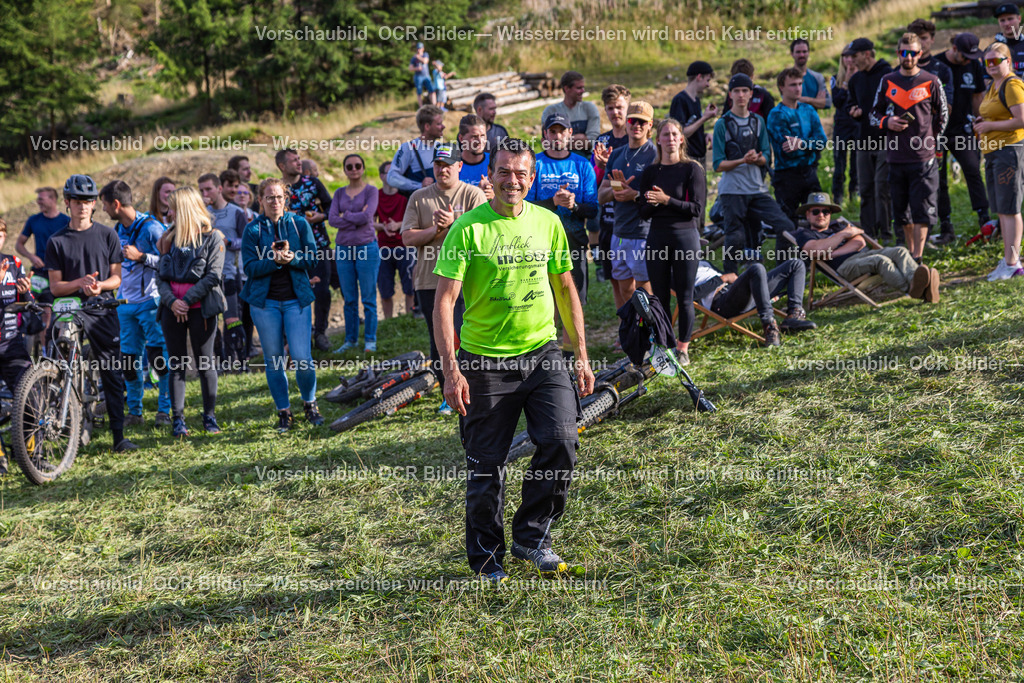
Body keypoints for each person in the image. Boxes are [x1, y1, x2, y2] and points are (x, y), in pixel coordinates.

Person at [432, 137, 596, 583]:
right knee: (486, 465)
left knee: (562, 441)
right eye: (503, 171)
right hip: (484, 362)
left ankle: (531, 537)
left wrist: (581, 354)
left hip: (543, 355)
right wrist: (451, 369)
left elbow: (565, 288)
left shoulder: (548, 222)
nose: (512, 180)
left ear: (532, 177)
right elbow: (444, 302)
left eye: (521, 173)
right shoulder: (467, 229)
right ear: (490, 174)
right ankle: (488, 559)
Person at [45, 174, 135, 452]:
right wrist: (79, 283)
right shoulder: (56, 240)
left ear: (95, 203)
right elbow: (56, 287)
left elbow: (116, 278)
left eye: (88, 201)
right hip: (71, 309)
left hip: (102, 308)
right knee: (61, 361)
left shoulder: (108, 235)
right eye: (77, 201)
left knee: (111, 371)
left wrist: (99, 286)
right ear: (67, 202)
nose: (82, 206)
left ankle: (118, 437)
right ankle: (63, 422)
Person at [401, 145, 486, 415]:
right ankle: (448, 393)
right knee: (438, 339)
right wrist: (436, 229)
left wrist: (453, 223)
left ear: (460, 166)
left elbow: (483, 235)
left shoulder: (472, 194)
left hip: (467, 280)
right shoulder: (419, 197)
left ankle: (474, 389)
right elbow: (407, 238)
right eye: (438, 164)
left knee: (467, 336)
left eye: (448, 164)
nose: (442, 169)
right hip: (429, 280)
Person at [241, 178, 323, 431]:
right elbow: (249, 268)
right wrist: (274, 261)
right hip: (265, 303)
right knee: (274, 360)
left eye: (279, 197)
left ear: (285, 199)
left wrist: (292, 258)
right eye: (269, 197)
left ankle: (310, 403)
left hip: (296, 300)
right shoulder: (252, 229)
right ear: (260, 200)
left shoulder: (299, 223)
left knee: (302, 358)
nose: (275, 202)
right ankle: (284, 411)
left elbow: (313, 259)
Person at [98, 180, 172, 428]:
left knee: (159, 359)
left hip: (150, 303)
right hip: (125, 305)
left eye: (105, 204)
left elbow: (170, 263)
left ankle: (164, 411)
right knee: (129, 362)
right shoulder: (116, 230)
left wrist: (141, 257)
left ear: (116, 204)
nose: (103, 209)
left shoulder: (152, 228)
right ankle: (135, 412)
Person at [869, 32, 948, 262]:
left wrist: (932, 142)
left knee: (922, 209)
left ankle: (918, 257)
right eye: (904, 52)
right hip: (895, 157)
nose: (908, 57)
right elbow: (873, 114)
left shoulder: (931, 80)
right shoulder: (887, 80)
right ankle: (911, 256)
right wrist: (887, 122)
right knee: (902, 211)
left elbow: (943, 115)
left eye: (913, 53)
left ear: (920, 54)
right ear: (898, 53)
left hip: (923, 158)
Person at [156, 187, 226, 437]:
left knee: (205, 363)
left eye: (173, 208)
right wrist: (172, 302)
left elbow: (213, 276)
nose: (169, 213)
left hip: (201, 311)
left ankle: (209, 417)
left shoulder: (213, 238)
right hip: (171, 310)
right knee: (176, 364)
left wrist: (186, 300)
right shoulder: (168, 239)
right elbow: (160, 277)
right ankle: (178, 420)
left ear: (184, 209)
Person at [636, 117, 706, 365]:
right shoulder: (650, 172)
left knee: (685, 297)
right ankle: (665, 346)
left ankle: (683, 348)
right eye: (665, 135)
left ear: (682, 139)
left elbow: (696, 209)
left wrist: (666, 200)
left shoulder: (692, 169)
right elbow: (643, 212)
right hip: (657, 238)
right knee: (660, 297)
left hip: (685, 238)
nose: (670, 139)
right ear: (658, 140)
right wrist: (654, 203)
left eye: (675, 134)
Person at [712, 74, 794, 273]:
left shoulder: (758, 122)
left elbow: (766, 155)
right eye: (736, 91)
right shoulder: (722, 124)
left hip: (757, 189)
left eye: (745, 91)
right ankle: (729, 277)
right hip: (732, 191)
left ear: (751, 94)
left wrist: (758, 159)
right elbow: (717, 164)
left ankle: (781, 272)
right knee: (735, 237)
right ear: (730, 94)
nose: (741, 95)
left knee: (786, 226)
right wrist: (742, 160)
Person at [792, 192, 940, 302]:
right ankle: (915, 290)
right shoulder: (804, 234)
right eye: (816, 211)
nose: (821, 215)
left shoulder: (837, 226)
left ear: (830, 214)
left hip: (861, 255)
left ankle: (918, 283)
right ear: (808, 215)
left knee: (900, 251)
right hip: (844, 268)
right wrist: (843, 235)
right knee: (880, 260)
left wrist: (831, 252)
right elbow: (815, 250)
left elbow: (859, 242)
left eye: (825, 211)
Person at [527, 112, 599, 309]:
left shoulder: (582, 165)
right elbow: (524, 208)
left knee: (574, 302)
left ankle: (574, 332)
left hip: (574, 242)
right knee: (546, 304)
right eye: (553, 131)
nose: (557, 136)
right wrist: (553, 202)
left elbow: (593, 210)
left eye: (562, 131)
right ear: (545, 134)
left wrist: (574, 205)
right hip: (541, 243)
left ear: (570, 133)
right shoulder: (535, 164)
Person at [597, 101, 658, 309]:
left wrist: (634, 195)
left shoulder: (655, 155)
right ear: (626, 122)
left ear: (650, 125)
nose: (636, 125)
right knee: (625, 290)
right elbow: (601, 196)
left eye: (642, 122)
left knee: (645, 292)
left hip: (644, 233)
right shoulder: (616, 154)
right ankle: (634, 326)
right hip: (619, 232)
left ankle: (651, 328)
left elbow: (663, 197)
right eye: (632, 121)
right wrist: (616, 192)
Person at [974, 41, 1024, 280]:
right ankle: (1007, 259)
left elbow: (1021, 119)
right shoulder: (994, 85)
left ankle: (1014, 263)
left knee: (1010, 208)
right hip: (993, 151)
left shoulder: (1012, 84)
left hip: (1009, 150)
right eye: (987, 62)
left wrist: (990, 126)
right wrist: (982, 123)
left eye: (996, 61)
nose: (991, 65)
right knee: (1002, 209)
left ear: (1008, 62)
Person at [935, 33, 992, 243]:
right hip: (937, 132)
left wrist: (980, 123)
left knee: (973, 170)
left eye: (972, 56)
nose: (968, 60)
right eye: (965, 56)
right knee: (939, 179)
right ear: (954, 48)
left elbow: (977, 96)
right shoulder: (937, 64)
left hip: (962, 130)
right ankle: (945, 225)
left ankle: (984, 219)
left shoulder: (974, 65)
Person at [277, 148, 334, 352]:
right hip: (290, 250)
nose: (299, 162)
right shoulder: (277, 189)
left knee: (322, 291)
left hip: (318, 245)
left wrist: (321, 216)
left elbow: (331, 207)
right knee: (292, 293)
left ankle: (320, 333)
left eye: (299, 159)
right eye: (293, 160)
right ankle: (298, 338)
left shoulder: (313, 183)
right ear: (282, 166)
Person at [693, 258, 816, 347]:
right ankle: (769, 326)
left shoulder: (703, 263)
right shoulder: (682, 271)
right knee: (756, 268)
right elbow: (691, 295)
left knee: (795, 264)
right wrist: (723, 278)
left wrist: (737, 281)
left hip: (738, 293)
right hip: (723, 303)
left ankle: (793, 316)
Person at [328, 154, 381, 352]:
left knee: (368, 297)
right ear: (344, 170)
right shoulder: (339, 193)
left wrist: (346, 215)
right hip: (343, 249)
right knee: (349, 298)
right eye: (349, 166)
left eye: (357, 165)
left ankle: (370, 340)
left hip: (366, 247)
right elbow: (332, 219)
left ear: (363, 168)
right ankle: (350, 340)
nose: (354, 169)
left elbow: (367, 217)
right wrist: (356, 218)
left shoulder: (371, 191)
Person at [846, 38, 894, 241]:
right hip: (863, 142)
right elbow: (850, 104)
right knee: (865, 189)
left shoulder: (888, 75)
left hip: (885, 140)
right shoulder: (855, 80)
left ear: (867, 54)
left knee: (882, 188)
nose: (851, 61)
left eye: (855, 56)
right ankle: (868, 233)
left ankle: (886, 232)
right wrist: (853, 111)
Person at [767, 67, 828, 221]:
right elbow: (789, 150)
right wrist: (810, 145)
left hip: (809, 172)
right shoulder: (777, 114)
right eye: (793, 85)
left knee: (818, 218)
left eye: (800, 84)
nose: (798, 88)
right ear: (782, 87)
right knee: (788, 224)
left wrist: (801, 143)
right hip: (787, 175)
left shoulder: (808, 110)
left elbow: (822, 141)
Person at [16, 186, 68, 340]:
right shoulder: (34, 220)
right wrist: (31, 257)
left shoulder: (66, 221)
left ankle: (53, 345)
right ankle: (38, 346)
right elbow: (19, 244)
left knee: (54, 311)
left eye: (41, 199)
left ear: (53, 199)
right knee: (38, 308)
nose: (38, 202)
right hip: (39, 272)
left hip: (59, 273)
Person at [593, 84, 632, 282]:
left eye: (619, 107)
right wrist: (601, 167)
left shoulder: (635, 138)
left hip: (631, 218)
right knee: (614, 277)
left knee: (634, 278)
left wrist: (612, 168)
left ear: (628, 107)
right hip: (607, 219)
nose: (615, 112)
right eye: (610, 108)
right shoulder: (602, 140)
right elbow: (595, 181)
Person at [375, 161, 414, 319]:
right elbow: (369, 221)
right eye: (389, 173)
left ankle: (410, 319)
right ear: (381, 176)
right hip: (383, 247)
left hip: (405, 246)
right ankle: (388, 322)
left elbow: (414, 220)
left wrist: (398, 225)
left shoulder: (406, 196)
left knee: (410, 287)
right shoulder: (376, 196)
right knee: (385, 289)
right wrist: (382, 226)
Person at [388, 105, 446, 197]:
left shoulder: (442, 147)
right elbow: (392, 177)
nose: (443, 126)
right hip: (418, 203)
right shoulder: (408, 148)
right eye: (439, 124)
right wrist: (419, 185)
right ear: (427, 126)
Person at [669, 61, 717, 163]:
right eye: (707, 80)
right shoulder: (680, 100)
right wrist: (704, 118)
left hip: (700, 159)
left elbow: (693, 130)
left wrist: (704, 136)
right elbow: (680, 133)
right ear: (699, 77)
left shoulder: (696, 100)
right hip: (687, 160)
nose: (708, 85)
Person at [541, 71, 601, 152]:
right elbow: (547, 143)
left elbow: (593, 140)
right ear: (566, 89)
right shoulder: (551, 111)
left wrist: (561, 142)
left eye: (583, 87)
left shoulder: (589, 108)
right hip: (558, 157)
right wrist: (581, 137)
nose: (583, 91)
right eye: (579, 88)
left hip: (586, 157)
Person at [831, 46, 860, 205]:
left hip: (857, 125)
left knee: (856, 163)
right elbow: (836, 102)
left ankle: (854, 196)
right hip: (841, 125)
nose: (849, 60)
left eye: (852, 56)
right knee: (839, 163)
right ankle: (838, 198)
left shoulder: (863, 77)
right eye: (846, 56)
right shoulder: (836, 78)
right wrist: (846, 82)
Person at [456, 114, 493, 198]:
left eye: (482, 135)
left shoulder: (495, 162)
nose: (480, 141)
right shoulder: (452, 166)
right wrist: (477, 194)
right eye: (474, 137)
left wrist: (495, 197)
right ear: (461, 138)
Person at [790, 39, 832, 109]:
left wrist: (806, 100)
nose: (802, 55)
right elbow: (790, 103)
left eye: (804, 51)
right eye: (798, 52)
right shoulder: (787, 77)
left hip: (813, 116)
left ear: (808, 53)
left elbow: (828, 103)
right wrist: (816, 101)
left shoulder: (818, 77)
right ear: (792, 54)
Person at [994, 3, 1024, 76]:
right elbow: (987, 79)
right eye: (1002, 20)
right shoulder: (993, 49)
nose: (1006, 23)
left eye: (1010, 19)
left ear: (1019, 19)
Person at [410, 42, 433, 106]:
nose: (418, 50)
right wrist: (416, 68)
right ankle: (421, 107)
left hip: (426, 76)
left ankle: (434, 106)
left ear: (423, 49)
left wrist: (418, 57)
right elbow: (410, 68)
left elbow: (425, 61)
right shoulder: (413, 58)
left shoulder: (425, 54)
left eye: (420, 48)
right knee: (419, 93)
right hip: (418, 76)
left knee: (432, 91)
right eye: (418, 48)